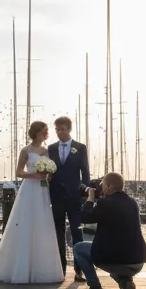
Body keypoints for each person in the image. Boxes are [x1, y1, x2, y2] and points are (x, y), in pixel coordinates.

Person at [0, 120, 64, 283]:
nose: (45, 134)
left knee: (42, 224)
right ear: (36, 133)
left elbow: (52, 170)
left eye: (46, 132)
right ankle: (20, 267)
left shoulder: (46, 151)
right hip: (29, 188)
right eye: (43, 132)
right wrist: (33, 175)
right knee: (26, 222)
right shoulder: (26, 150)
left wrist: (48, 174)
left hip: (42, 190)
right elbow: (19, 172)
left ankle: (42, 269)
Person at [73, 172, 146, 289]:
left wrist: (90, 198)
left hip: (116, 259)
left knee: (79, 248)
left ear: (107, 187)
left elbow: (84, 217)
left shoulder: (104, 203)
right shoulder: (132, 203)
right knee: (117, 252)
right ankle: (126, 283)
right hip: (138, 260)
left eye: (102, 186)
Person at [46, 116, 91, 280]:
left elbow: (85, 172)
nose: (59, 133)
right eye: (57, 130)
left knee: (77, 233)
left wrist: (84, 192)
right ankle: (61, 270)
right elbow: (48, 172)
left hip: (74, 197)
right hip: (56, 197)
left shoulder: (80, 148)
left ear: (69, 129)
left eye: (62, 129)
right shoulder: (50, 148)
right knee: (58, 233)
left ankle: (79, 271)